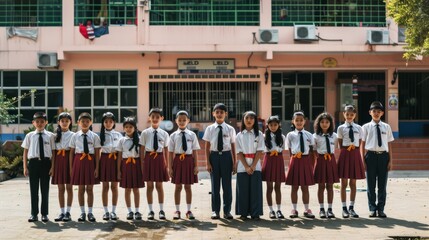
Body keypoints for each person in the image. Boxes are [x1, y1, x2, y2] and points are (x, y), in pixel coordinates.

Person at [202, 103, 237, 220]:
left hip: (226, 157)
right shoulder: (210, 129)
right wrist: (208, 162)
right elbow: (207, 147)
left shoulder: (230, 129)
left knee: (227, 187)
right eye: (217, 112)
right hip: (214, 156)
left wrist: (234, 162)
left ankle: (227, 211)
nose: (219, 114)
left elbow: (233, 146)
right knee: (215, 186)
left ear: (225, 114)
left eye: (222, 112)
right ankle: (215, 211)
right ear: (213, 114)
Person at [361, 101, 394, 218]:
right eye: (374, 111)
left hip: (383, 156)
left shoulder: (387, 127)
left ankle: (380, 209)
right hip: (370, 156)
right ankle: (372, 208)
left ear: (382, 113)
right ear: (370, 112)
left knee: (382, 185)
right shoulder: (365, 127)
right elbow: (362, 144)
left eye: (378, 111)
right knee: (370, 185)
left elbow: (389, 144)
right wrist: (363, 160)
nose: (376, 113)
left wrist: (390, 160)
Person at [22, 112, 55, 222]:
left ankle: (44, 214)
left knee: (45, 190)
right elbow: (25, 152)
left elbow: (53, 153)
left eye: (42, 121)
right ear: (33, 123)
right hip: (33, 164)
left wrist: (52, 167)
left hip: (46, 164)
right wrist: (25, 167)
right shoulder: (29, 135)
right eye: (37, 121)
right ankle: (34, 214)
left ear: (46, 122)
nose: (40, 123)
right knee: (34, 190)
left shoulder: (50, 136)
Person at [167, 111, 200, 220]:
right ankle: (177, 210)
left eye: (184, 120)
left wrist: (196, 165)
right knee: (178, 186)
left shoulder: (192, 135)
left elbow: (195, 151)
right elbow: (170, 152)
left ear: (188, 121)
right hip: (177, 161)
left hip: (189, 161)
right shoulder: (172, 136)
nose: (181, 122)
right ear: (176, 121)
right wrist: (170, 167)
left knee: (188, 186)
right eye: (179, 120)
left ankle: (189, 210)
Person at [69, 112, 101, 222]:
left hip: (90, 162)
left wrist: (97, 168)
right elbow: (71, 153)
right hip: (79, 161)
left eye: (87, 121)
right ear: (78, 123)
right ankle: (82, 212)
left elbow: (97, 154)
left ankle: (90, 213)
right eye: (83, 121)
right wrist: (71, 168)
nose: (85, 123)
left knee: (90, 188)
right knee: (81, 188)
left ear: (91, 122)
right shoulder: (74, 136)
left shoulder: (95, 136)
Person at [140, 108, 170, 220]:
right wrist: (142, 164)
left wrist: (166, 164)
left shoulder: (165, 134)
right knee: (149, 186)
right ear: (149, 118)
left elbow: (166, 149)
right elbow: (142, 149)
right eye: (153, 117)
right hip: (148, 158)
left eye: (158, 117)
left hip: (159, 159)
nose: (155, 119)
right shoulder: (145, 133)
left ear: (161, 118)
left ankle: (161, 210)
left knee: (159, 185)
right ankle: (150, 210)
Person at [285, 111, 315, 219]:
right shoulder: (290, 135)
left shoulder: (309, 135)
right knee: (294, 187)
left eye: (301, 120)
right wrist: (293, 160)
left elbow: (311, 151)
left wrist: (311, 166)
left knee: (305, 187)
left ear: (305, 121)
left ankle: (307, 209)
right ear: (293, 121)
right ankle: (294, 209)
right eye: (296, 120)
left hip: (305, 161)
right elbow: (289, 150)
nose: (299, 122)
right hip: (295, 160)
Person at [337, 105, 365, 218]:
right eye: (347, 114)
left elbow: (359, 142)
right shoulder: (340, 128)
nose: (349, 116)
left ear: (355, 115)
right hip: (345, 154)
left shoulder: (359, 128)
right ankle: (344, 208)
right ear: (344, 114)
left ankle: (352, 207)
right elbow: (340, 144)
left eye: (352, 114)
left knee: (353, 183)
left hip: (355, 155)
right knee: (343, 183)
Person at [235, 111, 264, 220]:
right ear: (243, 119)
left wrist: (252, 166)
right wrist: (247, 167)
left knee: (255, 191)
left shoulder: (259, 134)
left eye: (252, 118)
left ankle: (255, 213)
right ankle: (243, 213)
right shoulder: (239, 135)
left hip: (255, 166)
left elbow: (260, 151)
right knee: (242, 190)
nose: (249, 120)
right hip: (243, 166)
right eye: (247, 118)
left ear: (255, 120)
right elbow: (239, 152)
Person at [117, 117, 145, 220]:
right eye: (126, 127)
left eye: (131, 127)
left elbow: (142, 155)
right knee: (127, 189)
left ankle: (137, 211)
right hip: (126, 165)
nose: (128, 129)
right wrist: (118, 170)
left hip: (136, 164)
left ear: (135, 128)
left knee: (136, 189)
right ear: (123, 128)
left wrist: (143, 169)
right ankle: (129, 211)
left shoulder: (140, 139)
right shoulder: (121, 140)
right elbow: (119, 156)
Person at [313, 112, 339, 219]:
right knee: (321, 185)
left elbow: (335, 148)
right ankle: (321, 209)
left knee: (330, 186)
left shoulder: (334, 136)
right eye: (322, 122)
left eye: (327, 122)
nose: (324, 124)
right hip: (321, 160)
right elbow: (314, 150)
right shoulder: (315, 136)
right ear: (318, 123)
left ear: (330, 123)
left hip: (331, 160)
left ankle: (330, 209)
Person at [261, 115, 286, 219]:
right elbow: (262, 149)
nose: (273, 127)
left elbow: (283, 149)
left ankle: (279, 210)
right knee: (269, 187)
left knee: (278, 187)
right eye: (271, 125)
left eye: (275, 125)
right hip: (269, 159)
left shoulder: (283, 137)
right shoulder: (263, 136)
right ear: (267, 125)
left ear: (279, 125)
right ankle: (271, 210)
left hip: (278, 160)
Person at [99, 112, 122, 221]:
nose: (108, 124)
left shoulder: (118, 135)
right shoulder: (99, 136)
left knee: (114, 187)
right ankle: (106, 212)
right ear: (103, 123)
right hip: (104, 160)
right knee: (105, 187)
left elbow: (121, 150)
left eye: (110, 121)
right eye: (106, 122)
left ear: (114, 123)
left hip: (115, 160)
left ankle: (113, 211)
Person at [52, 112, 74, 222]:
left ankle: (68, 212)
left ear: (70, 122)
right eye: (62, 121)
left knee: (69, 188)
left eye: (67, 121)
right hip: (58, 162)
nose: (64, 123)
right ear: (58, 122)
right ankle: (61, 212)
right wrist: (52, 167)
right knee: (60, 188)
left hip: (69, 161)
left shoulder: (74, 135)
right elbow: (53, 153)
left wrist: (72, 167)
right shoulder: (54, 136)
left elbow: (73, 152)